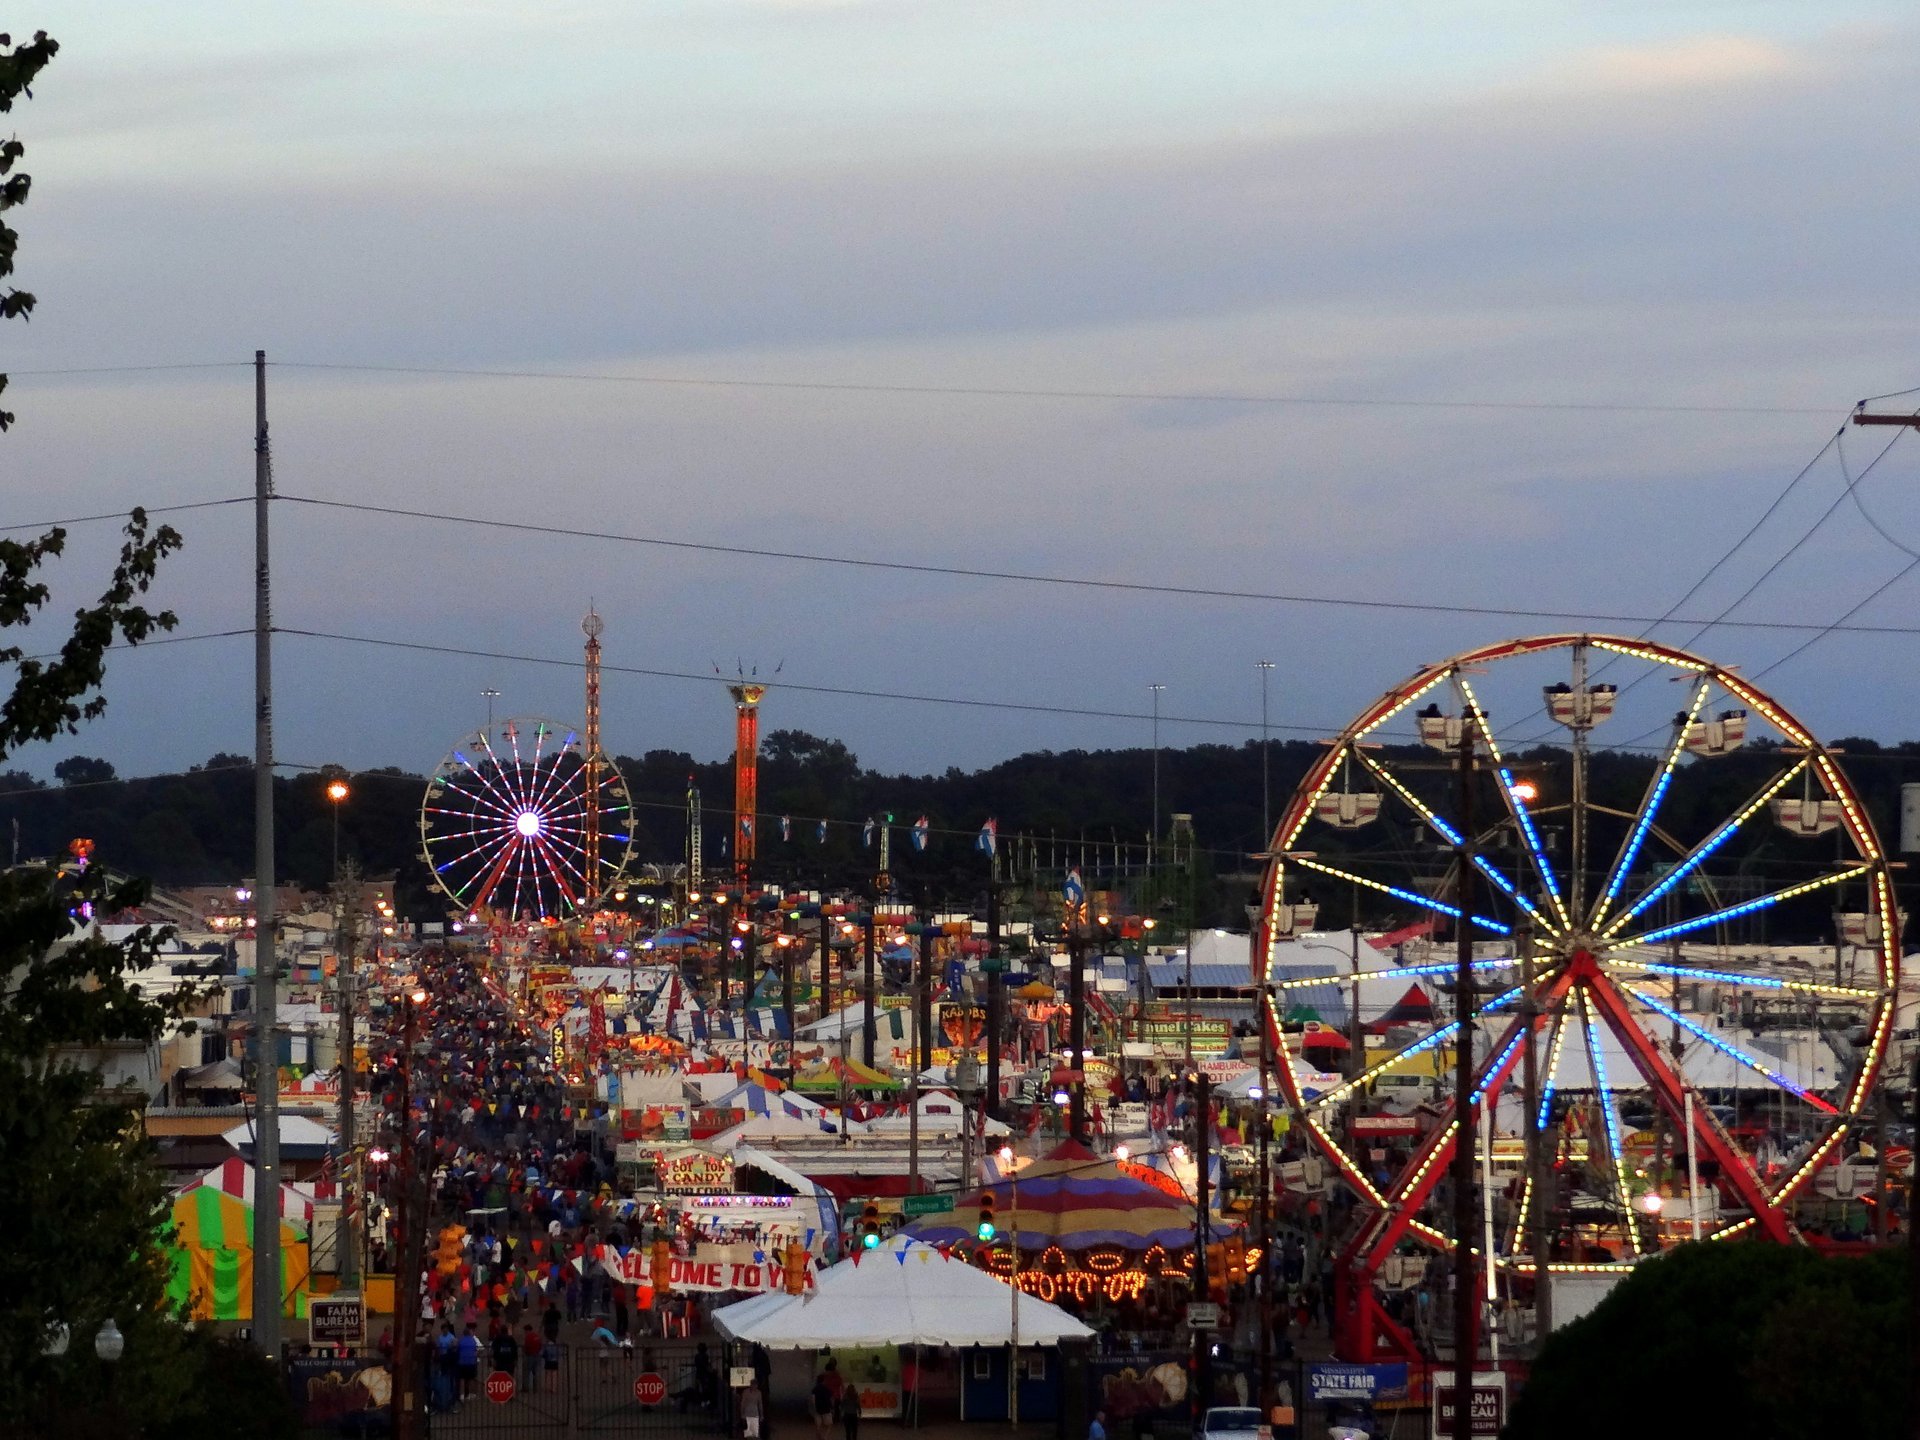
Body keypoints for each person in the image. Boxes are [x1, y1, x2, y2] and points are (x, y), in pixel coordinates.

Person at [456, 1323, 481, 1402]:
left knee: (461, 1379)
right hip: (471, 1362)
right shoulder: (472, 1340)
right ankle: (468, 1394)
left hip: (462, 1362)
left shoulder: (461, 1341)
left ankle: (460, 1394)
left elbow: (457, 1350)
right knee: (469, 1379)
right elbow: (476, 1350)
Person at [810, 1370, 836, 1440]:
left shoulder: (815, 1389)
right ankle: (825, 1437)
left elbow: (813, 1399)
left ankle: (819, 1434)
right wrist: (832, 1407)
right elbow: (831, 1399)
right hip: (826, 1409)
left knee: (818, 1425)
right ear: (824, 1380)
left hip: (817, 1409)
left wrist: (814, 1407)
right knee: (829, 1424)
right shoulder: (827, 1389)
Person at [520, 1324, 543, 1394]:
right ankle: (535, 1388)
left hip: (529, 1356)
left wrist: (524, 1351)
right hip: (537, 1356)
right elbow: (540, 1345)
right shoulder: (537, 1336)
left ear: (527, 1330)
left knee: (526, 1372)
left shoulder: (528, 1337)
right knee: (535, 1373)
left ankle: (526, 1388)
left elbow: (526, 1347)